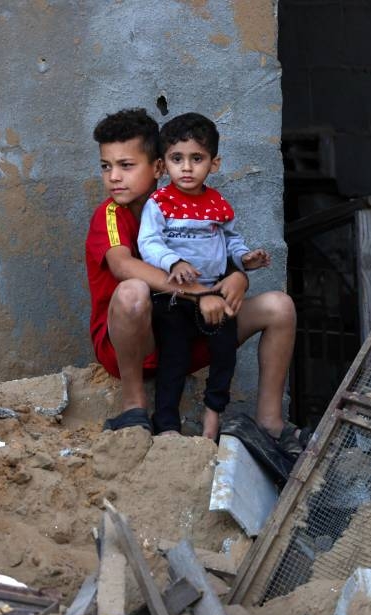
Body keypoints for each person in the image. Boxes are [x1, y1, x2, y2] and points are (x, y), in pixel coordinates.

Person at [84, 107, 299, 447]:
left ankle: (270, 424)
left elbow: (214, 253)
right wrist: (200, 293)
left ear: (157, 167)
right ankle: (134, 405)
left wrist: (238, 275)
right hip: (138, 342)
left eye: (126, 166)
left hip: (190, 334)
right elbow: (123, 267)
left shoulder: (190, 207)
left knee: (280, 306)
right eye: (106, 167)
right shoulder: (111, 214)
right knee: (132, 291)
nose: (114, 177)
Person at [137, 112, 269, 438]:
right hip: (175, 299)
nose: (186, 167)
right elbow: (148, 243)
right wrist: (173, 262)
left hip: (216, 295)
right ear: (162, 164)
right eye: (176, 159)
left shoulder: (218, 204)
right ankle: (167, 425)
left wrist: (244, 258)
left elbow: (230, 241)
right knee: (174, 359)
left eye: (197, 158)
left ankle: (213, 419)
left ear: (214, 164)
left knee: (225, 354)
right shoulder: (160, 203)